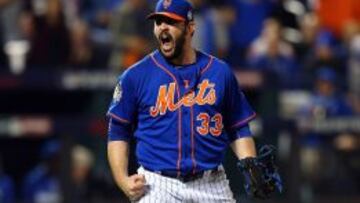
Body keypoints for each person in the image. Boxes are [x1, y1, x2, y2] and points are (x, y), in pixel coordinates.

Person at [107, 0, 274, 202]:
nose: (163, 28)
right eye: (158, 22)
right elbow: (118, 130)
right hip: (157, 183)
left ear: (190, 28)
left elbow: (237, 127)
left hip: (212, 184)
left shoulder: (219, 72)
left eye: (171, 22)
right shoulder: (135, 75)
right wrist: (122, 179)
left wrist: (249, 163)